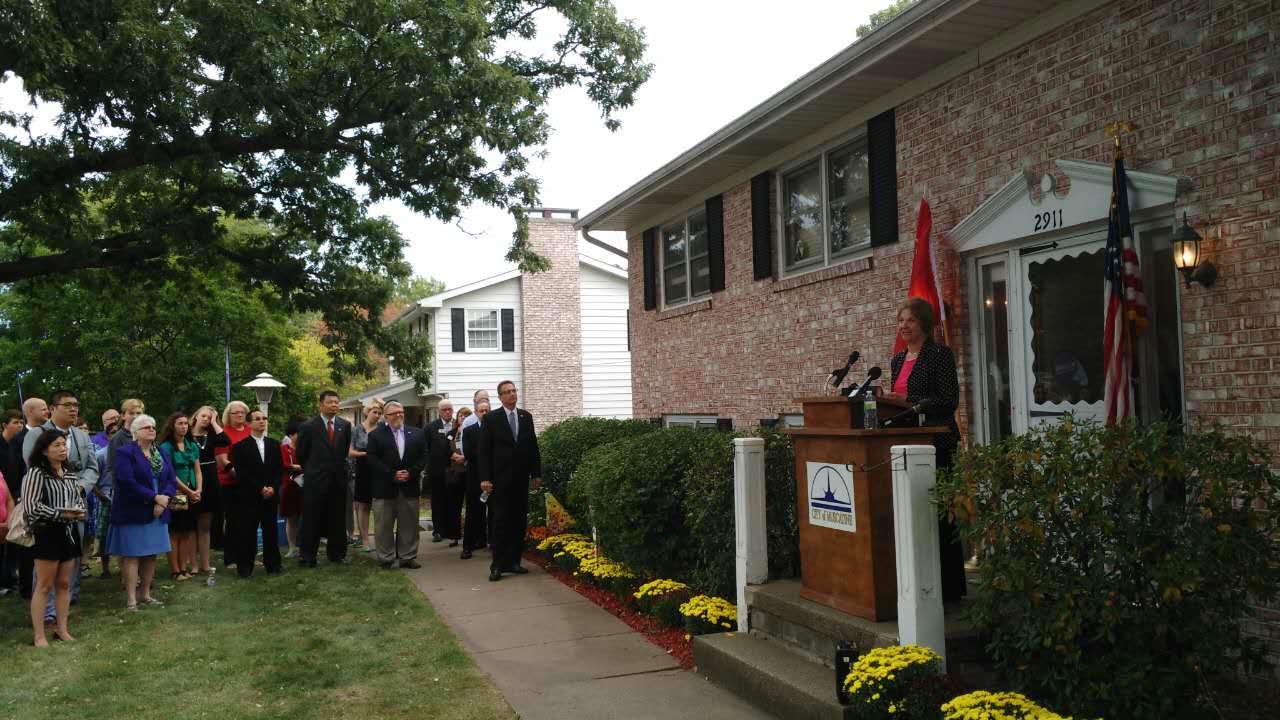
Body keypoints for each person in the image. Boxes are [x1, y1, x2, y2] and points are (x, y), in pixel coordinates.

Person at [881, 297, 966, 602]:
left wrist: (910, 402)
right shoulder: (897, 359)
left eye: (910, 320)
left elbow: (948, 401)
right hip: (905, 442)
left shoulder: (939, 355)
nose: (903, 326)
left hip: (936, 444)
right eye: (900, 320)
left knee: (939, 515)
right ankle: (916, 581)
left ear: (924, 324)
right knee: (913, 516)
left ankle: (949, 586)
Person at [24, 390, 98, 622]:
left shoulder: (82, 436)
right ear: (53, 408)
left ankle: (67, 601)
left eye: (76, 405)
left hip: (76, 505)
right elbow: (32, 465)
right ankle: (47, 612)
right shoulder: (37, 434)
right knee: (46, 566)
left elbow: (92, 469)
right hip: (47, 512)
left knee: (72, 557)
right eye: (67, 405)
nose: (73, 409)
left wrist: (77, 487)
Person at [22, 430, 86, 646]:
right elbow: (31, 507)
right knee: (44, 585)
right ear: (44, 450)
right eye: (56, 445)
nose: (62, 449)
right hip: (46, 534)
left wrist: (79, 511)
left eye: (63, 444)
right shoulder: (36, 473)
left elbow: (77, 498)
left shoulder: (69, 473)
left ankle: (62, 629)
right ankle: (39, 635)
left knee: (64, 584)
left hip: (68, 533)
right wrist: (61, 513)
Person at [108, 414, 176, 611]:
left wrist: (163, 501)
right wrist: (153, 498)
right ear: (135, 432)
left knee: (151, 554)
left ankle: (145, 594)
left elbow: (171, 479)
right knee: (132, 555)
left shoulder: (161, 452)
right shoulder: (125, 452)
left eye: (153, 426)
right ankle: (131, 600)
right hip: (134, 509)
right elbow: (126, 481)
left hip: (158, 508)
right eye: (146, 427)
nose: (152, 430)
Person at [478, 381, 542, 582]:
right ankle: (497, 565)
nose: (512, 394)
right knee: (500, 522)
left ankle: (514, 561)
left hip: (521, 480)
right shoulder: (491, 419)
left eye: (514, 391)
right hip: (499, 480)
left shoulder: (526, 417)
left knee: (518, 522)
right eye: (507, 392)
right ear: (500, 397)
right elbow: (484, 451)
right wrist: (485, 478)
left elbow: (532, 447)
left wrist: (536, 474)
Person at [364, 401, 427, 569]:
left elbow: (424, 457)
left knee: (409, 525)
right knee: (383, 525)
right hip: (384, 488)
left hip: (409, 486)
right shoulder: (376, 435)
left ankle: (408, 557)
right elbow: (371, 459)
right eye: (394, 413)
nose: (399, 415)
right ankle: (386, 558)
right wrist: (391, 474)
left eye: (401, 412)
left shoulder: (417, 433)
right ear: (386, 417)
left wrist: (411, 472)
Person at [294, 390, 352, 567]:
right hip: (315, 481)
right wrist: (313, 470)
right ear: (321, 404)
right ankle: (308, 557)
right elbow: (301, 454)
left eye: (336, 402)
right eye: (330, 402)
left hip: (337, 480)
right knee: (312, 519)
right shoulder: (308, 426)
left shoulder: (344, 425)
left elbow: (344, 451)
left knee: (337, 518)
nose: (334, 405)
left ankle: (337, 554)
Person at [229, 409, 284, 577]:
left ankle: (273, 565)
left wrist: (273, 487)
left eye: (264, 418)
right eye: (257, 419)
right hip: (249, 496)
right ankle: (245, 567)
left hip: (270, 495)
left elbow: (278, 469)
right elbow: (242, 472)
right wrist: (260, 488)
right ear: (248, 423)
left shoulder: (274, 444)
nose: (262, 421)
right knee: (247, 532)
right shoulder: (239, 447)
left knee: (271, 531)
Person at [101, 399, 145, 580]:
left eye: (139, 413)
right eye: (131, 413)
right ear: (124, 415)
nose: (135, 416)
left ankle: (141, 577)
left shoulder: (145, 434)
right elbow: (112, 469)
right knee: (128, 541)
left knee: (142, 539)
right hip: (126, 495)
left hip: (145, 494)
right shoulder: (119, 438)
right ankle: (129, 579)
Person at [159, 412, 201, 580]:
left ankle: (184, 568)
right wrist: (188, 492)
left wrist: (198, 490)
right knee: (175, 532)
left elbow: (198, 470)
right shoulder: (166, 447)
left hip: (192, 492)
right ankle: (175, 570)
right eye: (180, 423)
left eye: (185, 423)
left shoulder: (192, 445)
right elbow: (170, 474)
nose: (184, 426)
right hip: (176, 492)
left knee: (186, 532)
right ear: (172, 426)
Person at [213, 401, 252, 570]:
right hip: (230, 483)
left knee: (249, 521)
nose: (240, 415)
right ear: (228, 415)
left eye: (242, 412)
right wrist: (241, 475)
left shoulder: (251, 431)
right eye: (235, 413)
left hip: (251, 484)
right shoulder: (224, 434)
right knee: (233, 522)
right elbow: (222, 460)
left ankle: (247, 555)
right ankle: (231, 558)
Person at [346, 400, 383, 553]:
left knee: (380, 506)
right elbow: (349, 451)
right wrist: (366, 454)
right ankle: (365, 540)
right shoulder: (356, 430)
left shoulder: (382, 429)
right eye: (375, 412)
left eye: (380, 413)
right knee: (363, 505)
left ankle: (382, 540)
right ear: (367, 412)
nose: (377, 415)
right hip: (361, 469)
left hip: (378, 470)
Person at [189, 406, 222, 574]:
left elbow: (226, 441)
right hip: (192, 480)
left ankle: (206, 563)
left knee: (205, 524)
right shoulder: (186, 434)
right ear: (195, 416)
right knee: (191, 524)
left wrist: (215, 421)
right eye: (203, 416)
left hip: (210, 480)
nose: (206, 420)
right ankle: (193, 564)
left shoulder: (212, 435)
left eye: (209, 418)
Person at [425, 399, 459, 545]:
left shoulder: (458, 426)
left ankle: (453, 531)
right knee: (438, 501)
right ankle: (438, 530)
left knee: (453, 501)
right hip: (437, 471)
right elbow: (425, 449)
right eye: (444, 409)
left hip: (455, 470)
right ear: (439, 411)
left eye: (449, 409)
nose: (447, 412)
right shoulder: (430, 428)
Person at [460, 401, 490, 560]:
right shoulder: (469, 430)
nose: (484, 413)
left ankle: (491, 542)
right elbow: (469, 453)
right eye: (481, 410)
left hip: (493, 477)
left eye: (486, 410)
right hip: (474, 477)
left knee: (494, 512)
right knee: (473, 512)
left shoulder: (496, 429)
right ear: (476, 412)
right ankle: (467, 546)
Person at [0, 409, 25, 594]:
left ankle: (10, 577)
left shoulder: (15, 447)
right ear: (4, 425)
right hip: (2, 497)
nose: (19, 426)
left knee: (14, 541)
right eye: (15, 422)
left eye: (21, 423)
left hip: (13, 497)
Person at [279, 420, 304, 557]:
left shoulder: (307, 448)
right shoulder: (284, 449)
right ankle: (292, 547)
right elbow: (283, 464)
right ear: (291, 434)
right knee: (291, 518)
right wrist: (298, 467)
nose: (301, 436)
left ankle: (306, 546)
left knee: (308, 517)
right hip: (290, 486)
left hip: (306, 486)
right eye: (298, 434)